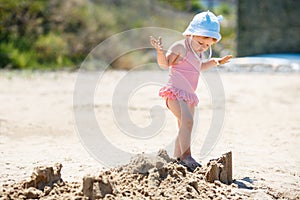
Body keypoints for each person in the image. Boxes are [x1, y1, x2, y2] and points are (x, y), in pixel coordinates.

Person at [150, 11, 232, 171]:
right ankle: (187, 155)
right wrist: (160, 52)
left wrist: (215, 61)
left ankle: (177, 158)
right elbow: (165, 64)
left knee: (184, 126)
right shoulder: (180, 46)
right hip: (174, 92)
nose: (203, 47)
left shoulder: (198, 52)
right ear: (192, 34)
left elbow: (198, 67)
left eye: (207, 45)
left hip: (189, 95)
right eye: (201, 42)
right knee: (188, 122)